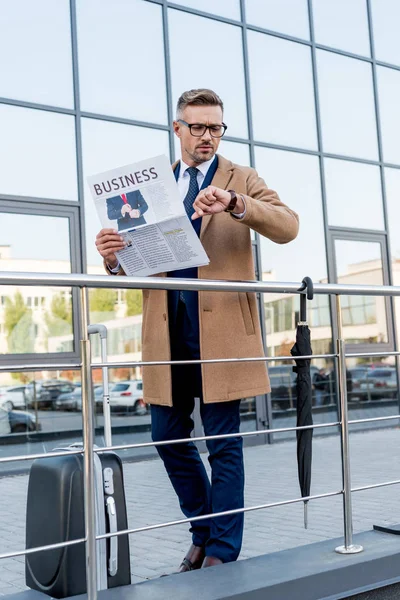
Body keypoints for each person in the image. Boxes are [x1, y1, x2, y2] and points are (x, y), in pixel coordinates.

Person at [95, 89, 299, 572]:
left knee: (224, 442)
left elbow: (288, 226)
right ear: (178, 129)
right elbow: (138, 260)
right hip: (167, 333)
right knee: (167, 436)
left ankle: (221, 552)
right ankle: (204, 530)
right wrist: (112, 258)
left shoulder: (241, 178)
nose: (208, 137)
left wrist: (235, 202)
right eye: (199, 127)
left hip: (223, 331)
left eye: (216, 128)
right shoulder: (155, 183)